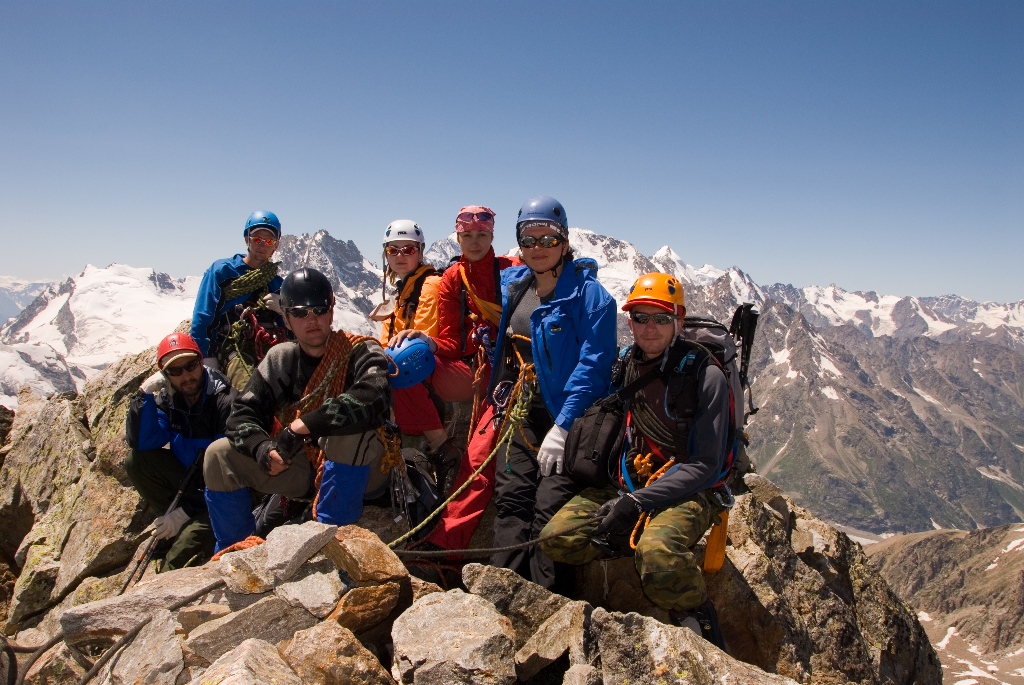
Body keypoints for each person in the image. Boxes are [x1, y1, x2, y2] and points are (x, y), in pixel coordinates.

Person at [539, 272, 731, 649]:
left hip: (689, 489)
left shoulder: (705, 375)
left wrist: (636, 503)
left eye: (661, 318)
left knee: (658, 556)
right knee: (555, 539)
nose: (650, 328)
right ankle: (634, 540)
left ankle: (695, 612)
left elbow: (706, 464)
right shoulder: (627, 364)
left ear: (679, 320)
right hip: (630, 480)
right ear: (629, 322)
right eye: (641, 317)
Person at [202, 267, 391, 552]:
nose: (311, 320)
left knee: (344, 432)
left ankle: (332, 544)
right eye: (301, 313)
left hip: (367, 468)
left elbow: (374, 395)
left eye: (319, 309)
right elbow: (241, 415)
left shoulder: (360, 351)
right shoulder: (282, 359)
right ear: (287, 319)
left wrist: (303, 426)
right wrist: (262, 449)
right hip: (308, 466)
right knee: (218, 456)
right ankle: (234, 552)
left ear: (331, 311)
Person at [485, 195, 617, 589]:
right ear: (519, 244)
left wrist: (561, 428)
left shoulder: (592, 298)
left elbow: (593, 367)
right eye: (529, 239)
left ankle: (548, 609)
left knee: (548, 510)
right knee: (510, 501)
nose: (538, 248)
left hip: (573, 422)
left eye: (548, 239)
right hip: (523, 416)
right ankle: (499, 595)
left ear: (564, 242)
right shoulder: (514, 286)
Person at [404, 205, 520, 550]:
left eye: (481, 235)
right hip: (475, 370)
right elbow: (452, 343)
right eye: (467, 236)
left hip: (510, 376)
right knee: (401, 365)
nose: (474, 242)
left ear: (492, 236)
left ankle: (446, 545)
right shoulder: (454, 278)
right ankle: (442, 447)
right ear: (458, 237)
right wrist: (425, 342)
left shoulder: (513, 270)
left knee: (481, 454)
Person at [125, 332, 235, 570]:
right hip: (192, 484)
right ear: (165, 375)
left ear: (200, 361)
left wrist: (185, 512)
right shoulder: (169, 401)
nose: (186, 376)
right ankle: (183, 522)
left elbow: (228, 470)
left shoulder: (223, 401)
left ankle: (187, 529)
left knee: (177, 557)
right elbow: (141, 443)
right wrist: (144, 395)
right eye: (175, 371)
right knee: (137, 461)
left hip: (226, 494)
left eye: (191, 365)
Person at [371, 219, 462, 492]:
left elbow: (419, 338)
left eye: (408, 249)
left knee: (401, 367)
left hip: (436, 361)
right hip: (427, 360)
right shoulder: (407, 287)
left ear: (420, 251)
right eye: (393, 250)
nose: (400, 256)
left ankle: (442, 447)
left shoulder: (430, 284)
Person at [191, 210, 285, 389]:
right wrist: (206, 359)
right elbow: (203, 317)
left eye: (269, 241)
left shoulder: (277, 284)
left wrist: (283, 310)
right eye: (257, 239)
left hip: (270, 344)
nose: (262, 245)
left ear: (276, 246)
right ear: (247, 239)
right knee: (248, 390)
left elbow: (290, 327)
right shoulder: (223, 272)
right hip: (233, 345)